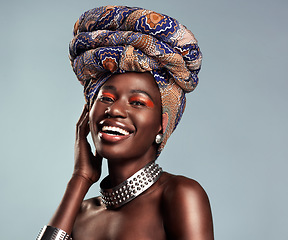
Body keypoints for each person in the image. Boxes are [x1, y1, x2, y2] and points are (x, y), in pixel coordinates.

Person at [37, 6, 214, 240]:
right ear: (87, 113)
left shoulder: (179, 195)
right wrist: (79, 179)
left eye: (138, 102)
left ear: (162, 124)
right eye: (106, 98)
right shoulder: (79, 213)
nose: (115, 109)